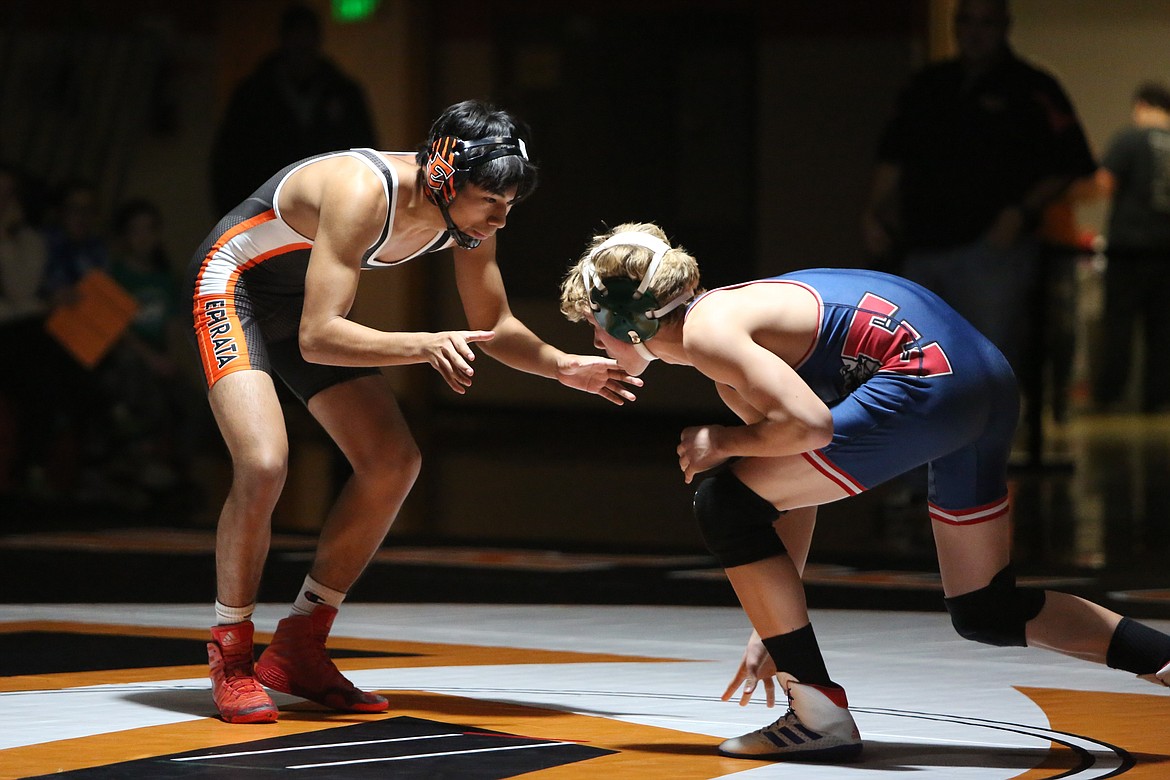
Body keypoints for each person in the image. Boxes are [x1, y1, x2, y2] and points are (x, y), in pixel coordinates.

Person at [558, 221, 1170, 763]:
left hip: (926, 384)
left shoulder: (711, 334)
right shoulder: (727, 321)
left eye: (594, 327)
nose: (595, 344)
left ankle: (818, 712)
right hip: (982, 379)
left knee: (722, 499)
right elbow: (794, 482)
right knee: (986, 608)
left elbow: (813, 429)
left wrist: (721, 440)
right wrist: (774, 627)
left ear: (625, 319)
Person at [187, 99, 641, 724]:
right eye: (492, 202)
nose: (501, 218)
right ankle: (231, 655)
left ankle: (298, 645)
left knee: (392, 461)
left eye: (510, 206)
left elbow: (495, 324)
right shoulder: (359, 190)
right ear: (447, 178)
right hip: (234, 288)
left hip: (306, 308)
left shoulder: (467, 220)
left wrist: (562, 366)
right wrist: (424, 346)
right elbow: (321, 336)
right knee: (264, 464)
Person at [861, 0, 1095, 385]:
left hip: (991, 249)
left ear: (1005, 26)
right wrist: (873, 212)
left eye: (986, 23)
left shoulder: (1032, 87)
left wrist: (1020, 211)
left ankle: (987, 445)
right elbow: (893, 154)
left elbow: (1072, 162)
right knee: (913, 361)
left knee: (985, 364)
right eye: (966, 21)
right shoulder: (928, 85)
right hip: (922, 242)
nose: (974, 32)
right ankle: (930, 444)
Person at [209, 2, 378, 215]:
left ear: (317, 42)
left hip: (331, 210)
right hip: (264, 212)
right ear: (283, 42)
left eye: (307, 44)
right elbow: (228, 163)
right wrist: (234, 217)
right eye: (296, 43)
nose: (302, 52)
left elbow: (364, 156)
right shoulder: (252, 96)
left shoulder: (343, 93)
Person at [1092, 81, 1170, 412]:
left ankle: (1110, 397)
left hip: (1128, 248)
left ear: (1141, 106)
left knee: (1119, 325)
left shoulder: (1129, 139)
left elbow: (1104, 184)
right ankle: (1157, 398)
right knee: (1163, 329)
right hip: (1166, 251)